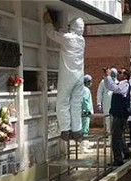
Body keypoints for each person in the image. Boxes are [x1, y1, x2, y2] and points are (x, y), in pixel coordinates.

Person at [44, 12, 85, 141]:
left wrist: (48, 23)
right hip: (79, 76)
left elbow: (51, 34)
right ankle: (77, 130)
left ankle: (65, 130)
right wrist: (60, 28)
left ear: (71, 27)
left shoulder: (68, 38)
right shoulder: (82, 40)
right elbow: (64, 34)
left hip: (68, 76)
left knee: (62, 102)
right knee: (76, 104)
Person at [104, 68, 131, 166]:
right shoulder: (119, 84)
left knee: (115, 137)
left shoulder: (125, 85)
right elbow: (109, 86)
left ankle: (118, 159)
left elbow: (114, 88)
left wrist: (108, 76)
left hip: (120, 114)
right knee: (119, 135)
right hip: (117, 113)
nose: (119, 74)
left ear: (125, 76)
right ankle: (126, 152)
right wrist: (106, 76)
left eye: (121, 73)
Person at [97, 68, 118, 134]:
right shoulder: (103, 82)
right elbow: (99, 92)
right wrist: (99, 103)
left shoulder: (117, 82)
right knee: (108, 120)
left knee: (115, 121)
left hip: (115, 105)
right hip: (107, 104)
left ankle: (114, 136)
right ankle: (109, 136)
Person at [81, 74, 94, 153]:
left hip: (83, 112)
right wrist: (88, 111)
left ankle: (86, 143)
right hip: (85, 113)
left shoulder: (82, 89)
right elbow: (85, 101)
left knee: (85, 129)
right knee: (84, 130)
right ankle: (83, 148)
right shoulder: (85, 90)